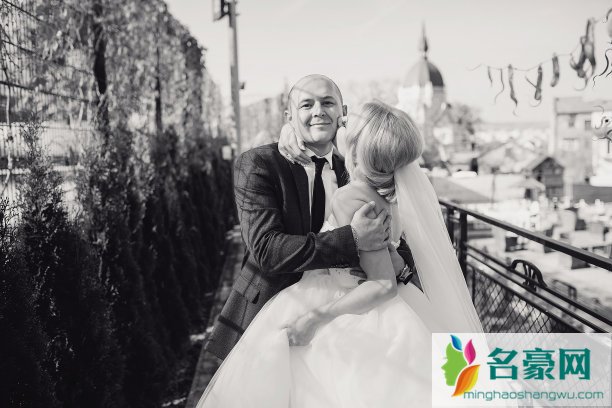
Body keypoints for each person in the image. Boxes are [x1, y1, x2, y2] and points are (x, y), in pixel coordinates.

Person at [196, 99, 483, 407]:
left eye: (346, 124)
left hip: (353, 307)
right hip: (386, 303)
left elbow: (383, 284)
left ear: (357, 148)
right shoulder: (390, 197)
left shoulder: (350, 196)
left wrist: (316, 318)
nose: (338, 126)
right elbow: (267, 247)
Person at [204, 74, 416, 361]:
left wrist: (398, 263)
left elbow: (396, 234)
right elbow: (266, 250)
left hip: (347, 318)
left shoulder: (357, 170)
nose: (318, 111)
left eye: (327, 102)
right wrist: (353, 239)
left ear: (343, 114)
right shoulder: (259, 164)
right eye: (306, 104)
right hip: (271, 312)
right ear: (289, 116)